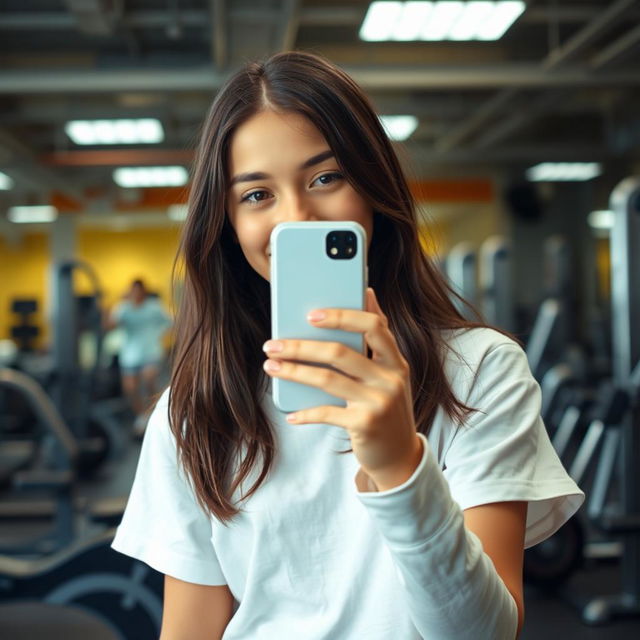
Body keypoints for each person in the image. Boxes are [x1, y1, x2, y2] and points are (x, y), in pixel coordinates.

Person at [112, 52, 584, 639]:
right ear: (227, 225)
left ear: (371, 187)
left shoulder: (481, 371)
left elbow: (484, 634)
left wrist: (398, 466)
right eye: (257, 195)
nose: (297, 218)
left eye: (325, 178)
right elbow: (189, 630)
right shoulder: (193, 409)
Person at [107, 279, 172, 435]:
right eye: (133, 291)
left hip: (150, 352)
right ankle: (142, 416)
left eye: (139, 291)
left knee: (149, 380)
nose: (136, 294)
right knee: (130, 388)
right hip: (130, 355)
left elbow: (170, 322)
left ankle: (155, 413)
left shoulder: (154, 307)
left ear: (144, 292)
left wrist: (157, 334)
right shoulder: (123, 308)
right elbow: (110, 325)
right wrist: (117, 307)